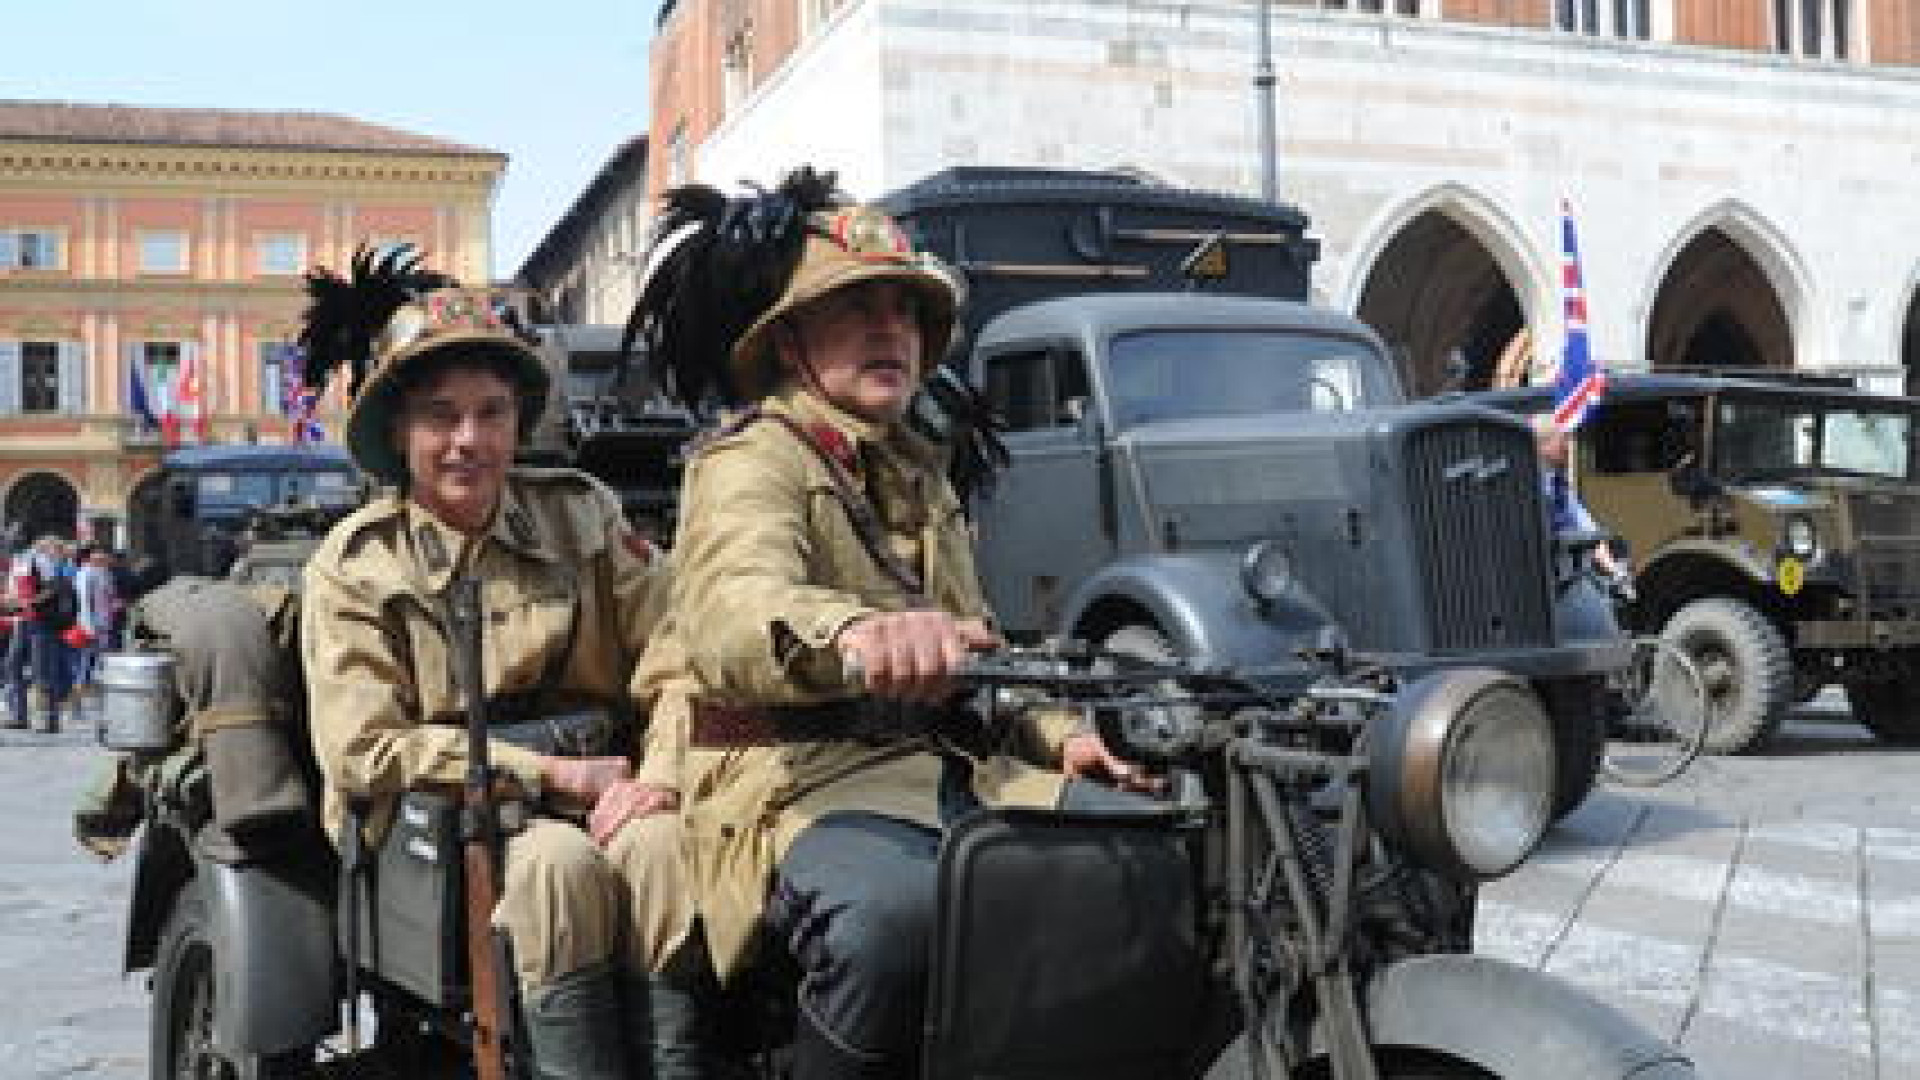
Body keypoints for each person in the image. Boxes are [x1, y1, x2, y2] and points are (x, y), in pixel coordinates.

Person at [625, 169, 1153, 1080]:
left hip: (945, 765)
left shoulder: (923, 473)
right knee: (899, 923)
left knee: (1152, 858)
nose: (889, 329)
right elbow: (731, 609)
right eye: (855, 307)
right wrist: (854, 635)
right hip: (792, 786)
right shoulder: (752, 457)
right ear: (789, 340)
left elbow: (979, 648)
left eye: (905, 312)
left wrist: (1065, 736)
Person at [296, 247, 692, 1080]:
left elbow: (676, 650)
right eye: (440, 416)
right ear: (399, 431)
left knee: (664, 846)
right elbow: (365, 750)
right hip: (437, 817)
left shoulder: (581, 514)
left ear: (519, 423)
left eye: (492, 413)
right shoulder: (358, 564)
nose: (468, 441)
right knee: (558, 867)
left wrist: (658, 776)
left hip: (606, 787)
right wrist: (550, 775)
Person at [1534, 414, 1627, 583]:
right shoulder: (1526, 487)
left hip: (1567, 575)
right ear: (1542, 446)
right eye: (1561, 439)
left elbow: (1587, 528)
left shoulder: (1559, 485)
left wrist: (1615, 571)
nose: (1567, 446)